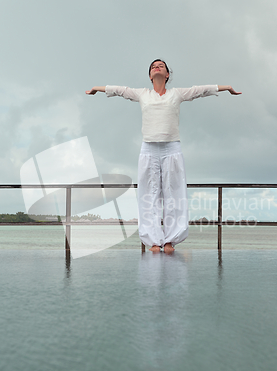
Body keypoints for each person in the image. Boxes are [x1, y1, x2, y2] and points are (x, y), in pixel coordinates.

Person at [86, 59, 241, 254]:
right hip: (148, 150)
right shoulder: (143, 94)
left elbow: (199, 90)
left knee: (174, 195)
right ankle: (152, 240)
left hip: (172, 149)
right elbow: (120, 90)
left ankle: (170, 240)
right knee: (148, 195)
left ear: (167, 74)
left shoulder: (176, 94)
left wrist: (226, 87)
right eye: (153, 66)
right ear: (150, 76)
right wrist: (96, 88)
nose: (157, 67)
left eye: (161, 65)